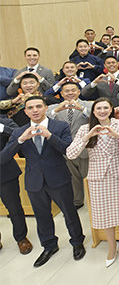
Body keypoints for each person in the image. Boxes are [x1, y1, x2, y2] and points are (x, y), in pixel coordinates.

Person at [0, 96, 86, 267]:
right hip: (34, 181)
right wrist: (20, 140)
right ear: (25, 111)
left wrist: (50, 136)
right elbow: (3, 158)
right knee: (42, 216)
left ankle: (77, 242)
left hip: (58, 177)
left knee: (69, 212)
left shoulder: (59, 126)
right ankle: (49, 245)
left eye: (38, 106)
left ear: (46, 108)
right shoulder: (19, 132)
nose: (35, 110)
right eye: (30, 107)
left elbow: (68, 150)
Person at [65, 98, 119, 267]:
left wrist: (115, 135)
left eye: (105, 108)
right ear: (93, 112)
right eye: (98, 109)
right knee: (103, 214)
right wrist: (88, 136)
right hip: (97, 176)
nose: (102, 111)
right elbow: (71, 153)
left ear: (111, 109)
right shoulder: (84, 128)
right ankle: (111, 245)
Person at [47, 82, 93, 208]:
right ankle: (77, 202)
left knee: (89, 178)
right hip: (65, 149)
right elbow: (44, 120)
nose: (70, 93)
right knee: (72, 178)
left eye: (73, 90)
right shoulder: (53, 108)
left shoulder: (89, 105)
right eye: (67, 91)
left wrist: (81, 109)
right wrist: (57, 110)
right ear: (61, 93)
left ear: (79, 92)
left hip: (85, 149)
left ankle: (94, 203)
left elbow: (97, 117)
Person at [0, 117, 33, 255]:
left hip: (5, 174)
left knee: (14, 208)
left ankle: (21, 238)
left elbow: (21, 134)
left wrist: (2, 129)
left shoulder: (4, 122)